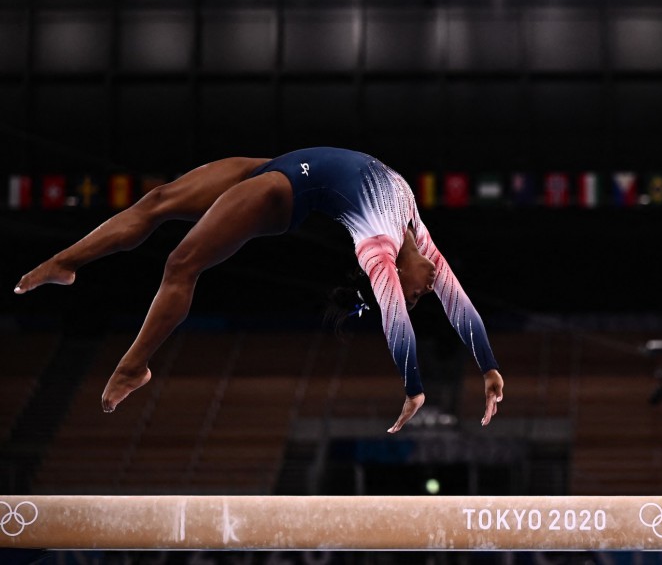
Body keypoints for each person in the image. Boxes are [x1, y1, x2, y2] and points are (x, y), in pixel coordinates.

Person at [14, 147, 504, 433]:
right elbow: (462, 309)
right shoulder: (422, 241)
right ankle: (66, 262)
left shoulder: (376, 249)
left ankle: (134, 365)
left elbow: (394, 318)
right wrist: (489, 368)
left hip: (281, 193)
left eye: (414, 296)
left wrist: (414, 389)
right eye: (418, 295)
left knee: (181, 263)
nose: (423, 292)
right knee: (157, 201)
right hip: (278, 163)